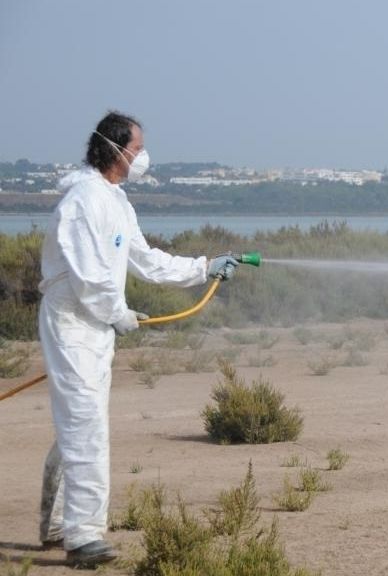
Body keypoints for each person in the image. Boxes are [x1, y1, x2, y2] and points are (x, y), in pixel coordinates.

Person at [36, 111, 238, 568]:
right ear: (115, 149)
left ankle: (54, 523)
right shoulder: (83, 201)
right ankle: (83, 538)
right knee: (86, 425)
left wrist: (202, 266)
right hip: (72, 323)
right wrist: (118, 313)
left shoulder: (115, 201)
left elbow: (145, 259)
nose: (143, 156)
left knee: (79, 421)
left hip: (94, 327)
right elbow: (89, 278)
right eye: (138, 147)